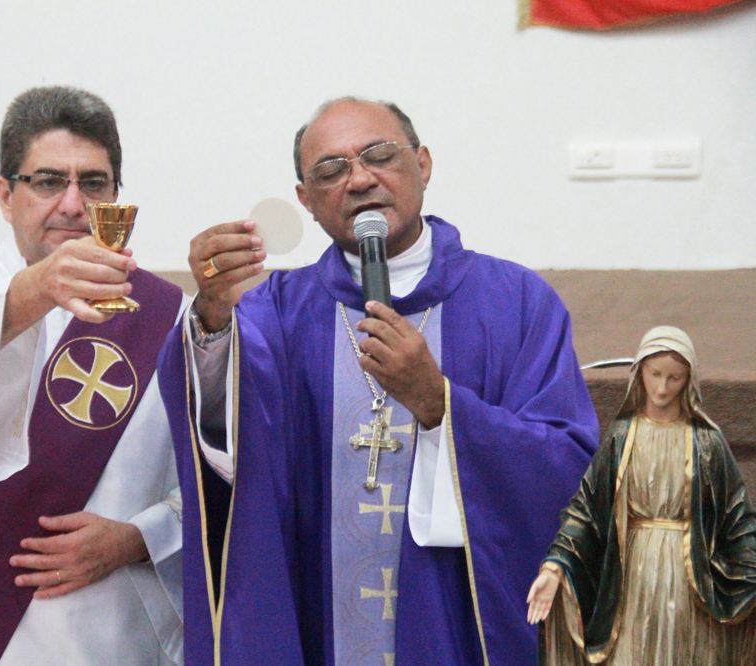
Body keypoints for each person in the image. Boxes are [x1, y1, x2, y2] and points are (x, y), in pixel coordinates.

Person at [156, 97, 600, 665]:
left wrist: (441, 406)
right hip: (321, 627)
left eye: (380, 155)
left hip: (454, 632)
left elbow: (567, 468)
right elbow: (222, 450)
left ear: (424, 164)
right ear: (306, 201)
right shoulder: (274, 313)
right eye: (331, 170)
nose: (360, 179)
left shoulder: (514, 303)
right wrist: (212, 316)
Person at [0, 86, 187, 666]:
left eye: (93, 183)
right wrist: (40, 287)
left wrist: (137, 538)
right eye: (49, 182)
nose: (73, 204)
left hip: (113, 629)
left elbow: (213, 476)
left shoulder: (168, 316)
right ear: (6, 195)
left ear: (115, 197)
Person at [527, 326, 756, 665]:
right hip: (630, 578)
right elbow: (585, 511)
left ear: (688, 381)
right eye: (654, 374)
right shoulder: (622, 438)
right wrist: (554, 567)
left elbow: (737, 519)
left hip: (688, 579)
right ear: (640, 373)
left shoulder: (707, 443)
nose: (662, 388)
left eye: (674, 378)